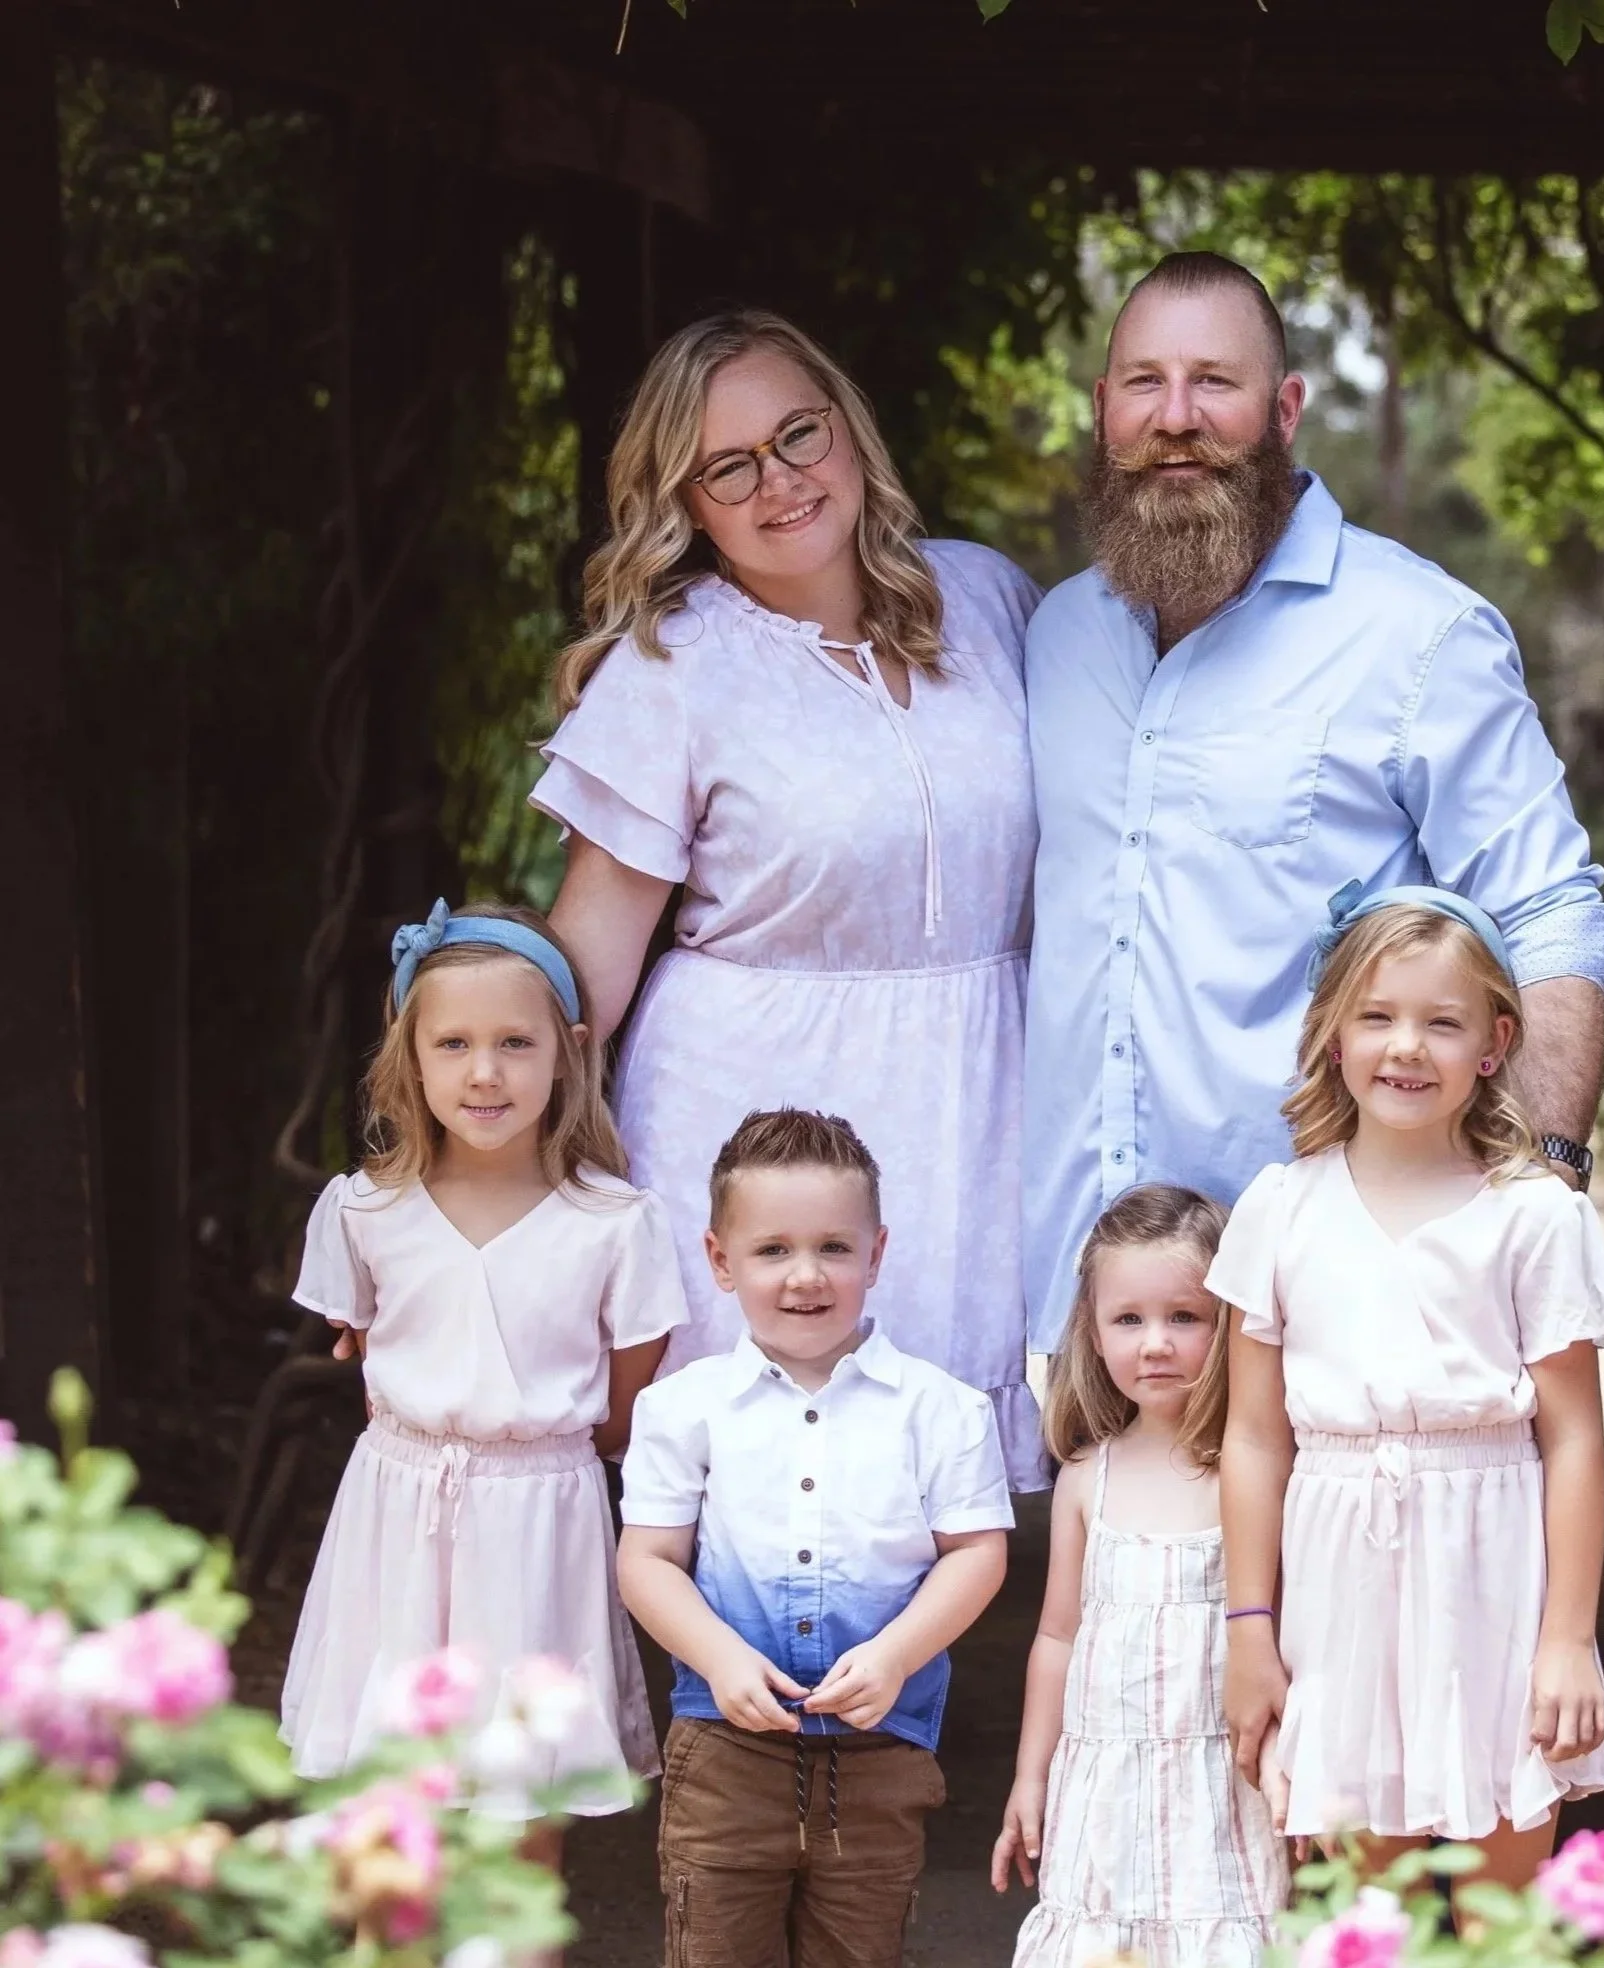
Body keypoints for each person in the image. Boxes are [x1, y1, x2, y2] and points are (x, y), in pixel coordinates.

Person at [1022, 250, 1604, 1358]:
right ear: (1104, 408)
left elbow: (1550, 917)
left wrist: (1540, 1196)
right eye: (1143, 384)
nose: (1176, 417)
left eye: (1216, 381)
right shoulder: (1056, 636)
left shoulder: (1415, 635)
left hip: (1337, 1310)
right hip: (1099, 1318)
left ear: (1285, 408)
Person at [534, 308, 1047, 1491]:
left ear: (848, 431)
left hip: (971, 1109)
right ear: (687, 505)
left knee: (931, 1509)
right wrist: (496, 1196)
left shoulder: (992, 603)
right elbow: (581, 978)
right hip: (751, 1113)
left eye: (798, 435)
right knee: (765, 1499)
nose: (780, 482)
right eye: (729, 466)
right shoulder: (670, 666)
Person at [1210, 886, 1604, 1884]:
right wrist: (1248, 1631)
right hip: (1335, 1583)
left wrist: (1568, 1639)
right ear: (1332, 1033)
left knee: (1502, 1905)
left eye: (1443, 1023)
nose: (1406, 1047)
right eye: (1378, 1016)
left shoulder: (1534, 1216)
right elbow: (1257, 1440)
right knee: (1362, 1908)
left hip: (1495, 1574)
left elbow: (1572, 1439)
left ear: (1495, 1043)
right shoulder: (1280, 1208)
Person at [280, 899, 686, 1838]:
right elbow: (365, 1346)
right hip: (398, 1517)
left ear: (570, 1050)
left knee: (519, 1813)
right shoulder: (363, 1213)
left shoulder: (615, 1224)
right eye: (454, 1044)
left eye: (515, 1041)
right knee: (385, 1808)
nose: (486, 1072)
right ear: (409, 1052)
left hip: (541, 1523)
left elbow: (627, 1409)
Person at [617, 1108, 1013, 1968]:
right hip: (724, 1748)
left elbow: (977, 1554)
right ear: (721, 1261)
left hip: (881, 1748)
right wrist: (720, 1659)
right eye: (772, 1251)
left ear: (876, 1252)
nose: (806, 1276)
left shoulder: (941, 1410)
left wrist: (896, 1654)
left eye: (834, 1247)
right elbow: (646, 1561)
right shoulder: (682, 1408)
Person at [992, 1185, 1287, 1967]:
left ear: (1227, 1324)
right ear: (1092, 1330)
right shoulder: (1089, 1477)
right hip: (1106, 1796)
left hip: (1224, 1792)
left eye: (1183, 1317)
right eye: (1129, 1319)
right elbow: (1057, 1636)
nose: (1154, 1342)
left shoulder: (1254, 1475)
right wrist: (1031, 1776)